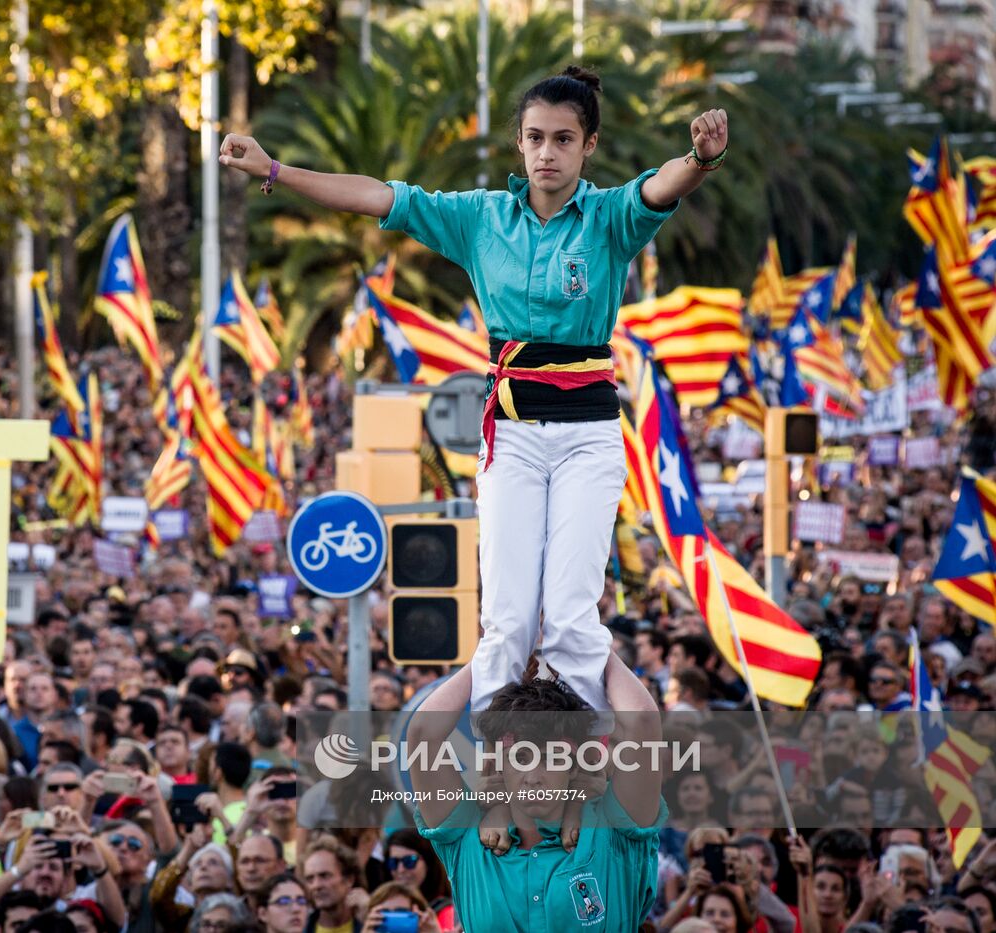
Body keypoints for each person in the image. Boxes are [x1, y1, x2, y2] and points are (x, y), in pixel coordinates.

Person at [219, 65, 727, 713]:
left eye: (564, 139)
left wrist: (701, 161)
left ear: (588, 145)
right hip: (510, 435)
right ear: (519, 142)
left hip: (589, 437)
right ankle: (492, 790)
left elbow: (659, 187)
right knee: (508, 626)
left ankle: (594, 781)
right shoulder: (479, 218)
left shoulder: (608, 218)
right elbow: (377, 196)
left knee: (572, 620)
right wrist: (276, 170)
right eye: (536, 137)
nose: (548, 152)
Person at [405, 651, 664, 930]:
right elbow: (422, 734)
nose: (533, 777)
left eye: (551, 758)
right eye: (520, 758)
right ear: (499, 765)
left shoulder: (612, 832)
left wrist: (586, 644)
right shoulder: (468, 838)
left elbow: (643, 723)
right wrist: (496, 651)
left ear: (574, 767)